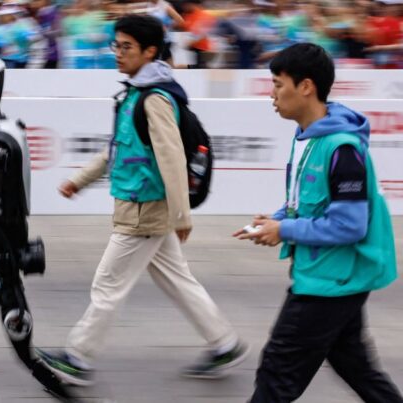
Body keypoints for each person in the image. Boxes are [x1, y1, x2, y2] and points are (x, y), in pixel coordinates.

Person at [35, 14, 247, 386]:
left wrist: (182, 214)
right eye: (116, 45)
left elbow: (171, 156)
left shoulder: (154, 99)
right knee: (177, 279)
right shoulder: (135, 93)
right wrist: (79, 180)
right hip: (141, 203)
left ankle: (79, 358)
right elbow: (118, 150)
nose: (118, 53)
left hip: (144, 209)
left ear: (150, 52)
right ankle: (225, 344)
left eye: (126, 47)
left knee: (108, 284)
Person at [235, 42, 403, 403]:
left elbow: (349, 225)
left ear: (306, 87)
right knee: (356, 368)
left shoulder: (341, 149)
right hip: (330, 276)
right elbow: (307, 204)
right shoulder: (308, 138)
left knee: (276, 376)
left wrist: (284, 230)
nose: (272, 94)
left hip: (328, 282)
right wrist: (276, 220)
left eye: (278, 84)